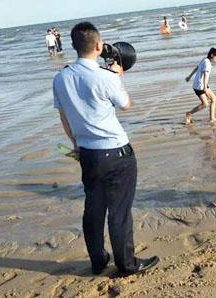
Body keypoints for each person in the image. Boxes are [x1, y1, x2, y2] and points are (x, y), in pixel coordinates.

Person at [52, 22, 158, 276]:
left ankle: (98, 261)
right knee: (119, 212)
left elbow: (64, 116)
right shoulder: (106, 77)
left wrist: (75, 143)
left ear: (74, 46)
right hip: (116, 152)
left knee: (94, 209)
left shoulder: (60, 77)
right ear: (99, 46)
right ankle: (127, 264)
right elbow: (126, 104)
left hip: (87, 153)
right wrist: (117, 77)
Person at [185, 48, 216, 125]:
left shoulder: (204, 59)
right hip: (200, 86)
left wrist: (189, 76)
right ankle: (189, 113)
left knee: (214, 99)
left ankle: (212, 118)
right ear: (212, 55)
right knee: (205, 104)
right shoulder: (207, 64)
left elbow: (197, 68)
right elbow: (205, 75)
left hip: (200, 84)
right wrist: (205, 88)